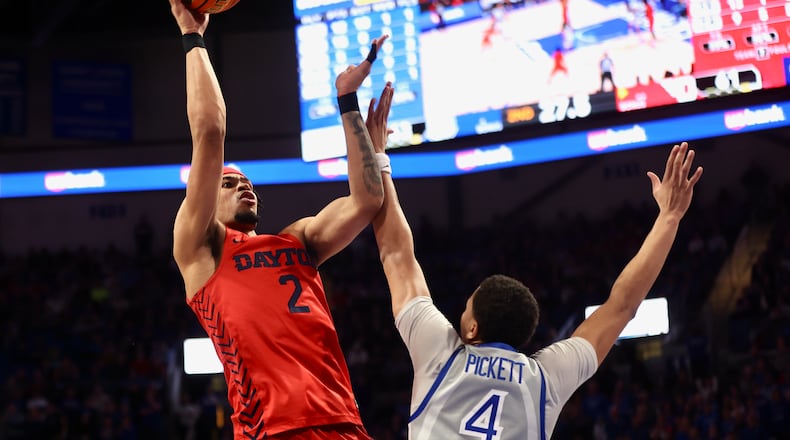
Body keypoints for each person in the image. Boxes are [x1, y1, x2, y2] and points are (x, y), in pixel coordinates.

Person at [370, 133, 703, 438]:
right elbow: (622, 305)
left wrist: (378, 159)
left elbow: (397, 254)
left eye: (466, 308)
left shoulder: (440, 354)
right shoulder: (544, 379)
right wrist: (669, 218)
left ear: (472, 328)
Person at [167, 1, 391, 438]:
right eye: (229, 184)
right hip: (273, 429)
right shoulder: (201, 250)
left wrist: (347, 103)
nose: (244, 186)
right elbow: (210, 133)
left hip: (345, 424)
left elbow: (367, 200)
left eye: (247, 183)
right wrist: (192, 35)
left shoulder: (297, 241)